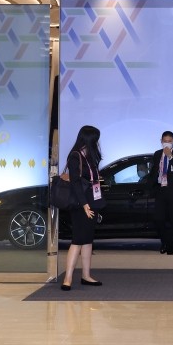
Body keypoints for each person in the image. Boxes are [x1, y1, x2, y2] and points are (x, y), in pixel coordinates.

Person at [62, 125, 105, 291]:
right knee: (78, 240)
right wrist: (85, 205)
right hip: (81, 203)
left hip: (92, 201)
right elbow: (75, 182)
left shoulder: (91, 155)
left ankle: (86, 276)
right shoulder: (75, 155)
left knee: (87, 239)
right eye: (95, 139)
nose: (97, 142)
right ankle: (67, 278)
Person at [148, 131, 173, 255]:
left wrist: (171, 156)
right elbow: (153, 172)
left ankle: (171, 246)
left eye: (169, 141)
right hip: (161, 191)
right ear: (161, 141)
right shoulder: (157, 154)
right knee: (159, 219)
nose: (167, 143)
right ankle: (164, 242)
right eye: (165, 141)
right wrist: (151, 187)